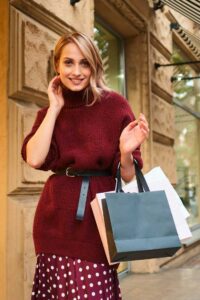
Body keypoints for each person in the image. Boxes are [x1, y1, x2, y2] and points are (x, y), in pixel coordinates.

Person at [21, 31, 149, 300]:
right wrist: (55, 107)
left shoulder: (114, 105)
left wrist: (126, 152)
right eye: (68, 62)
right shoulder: (49, 113)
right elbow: (34, 158)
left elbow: (127, 175)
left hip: (97, 222)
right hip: (54, 221)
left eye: (85, 63)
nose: (77, 71)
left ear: (94, 66)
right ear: (57, 65)